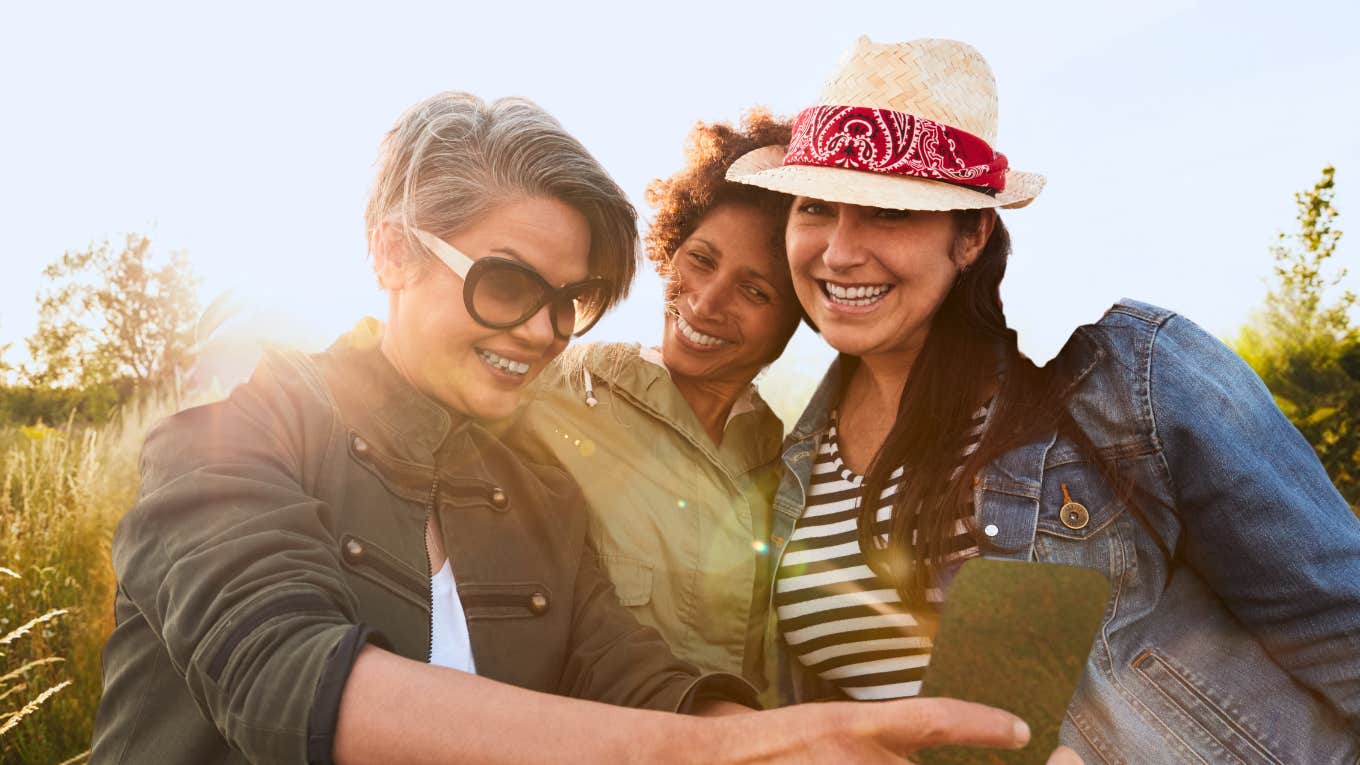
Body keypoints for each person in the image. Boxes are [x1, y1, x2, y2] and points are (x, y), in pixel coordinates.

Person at [90, 90, 1043, 764]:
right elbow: (280, 675)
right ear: (390, 249)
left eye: (571, 301)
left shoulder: (535, 493)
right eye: (507, 285)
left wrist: (763, 730)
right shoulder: (229, 440)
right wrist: (725, 750)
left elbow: (625, 663)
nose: (544, 332)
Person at [727, 37, 1360, 763]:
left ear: (972, 235)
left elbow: (1341, 626)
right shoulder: (793, 464)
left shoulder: (1128, 374)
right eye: (816, 208)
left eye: (889, 212)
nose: (839, 251)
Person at [504, 110, 802, 704]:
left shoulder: (791, 467)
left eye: (755, 290)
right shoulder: (549, 397)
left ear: (798, 316)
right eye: (701, 259)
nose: (706, 302)